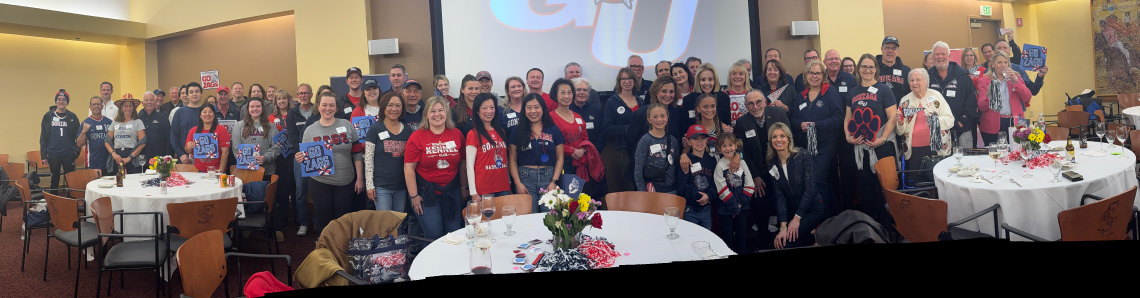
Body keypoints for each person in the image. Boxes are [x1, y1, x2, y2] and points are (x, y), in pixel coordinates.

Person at [296, 91, 364, 235]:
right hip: (320, 182)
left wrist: (359, 179)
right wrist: (301, 157)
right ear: (318, 107)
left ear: (336, 108)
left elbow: (357, 154)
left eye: (331, 105)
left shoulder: (347, 125)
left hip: (346, 181)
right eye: (324, 105)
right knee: (323, 219)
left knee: (343, 219)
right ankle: (326, 248)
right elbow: (306, 156)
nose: (328, 108)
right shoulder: (310, 130)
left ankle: (342, 248)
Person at [843, 54, 898, 225]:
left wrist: (882, 138)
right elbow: (847, 118)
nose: (868, 70)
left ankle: (891, 224)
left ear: (876, 69)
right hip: (861, 149)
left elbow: (892, 118)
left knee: (885, 188)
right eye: (864, 67)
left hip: (882, 146)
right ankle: (872, 225)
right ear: (859, 69)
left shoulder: (884, 90)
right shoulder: (853, 92)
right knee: (866, 189)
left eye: (871, 67)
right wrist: (848, 137)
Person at [404, 96, 465, 240]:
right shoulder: (417, 137)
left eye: (441, 110)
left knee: (454, 234)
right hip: (425, 194)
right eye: (432, 111)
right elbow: (408, 168)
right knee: (434, 235)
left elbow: (463, 163)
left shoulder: (457, 134)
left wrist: (464, 188)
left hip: (452, 192)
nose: (437, 114)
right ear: (426, 115)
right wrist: (414, 196)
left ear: (447, 113)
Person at [790, 60, 844, 217]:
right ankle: (826, 216)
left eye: (818, 73)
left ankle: (822, 220)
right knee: (813, 182)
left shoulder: (830, 92)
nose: (814, 76)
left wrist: (816, 125)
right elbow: (793, 119)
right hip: (805, 146)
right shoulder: (801, 95)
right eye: (811, 73)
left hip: (826, 145)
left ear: (823, 75)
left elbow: (838, 118)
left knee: (818, 180)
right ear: (806, 75)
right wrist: (801, 125)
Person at [735, 89, 791, 226]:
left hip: (780, 166)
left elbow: (789, 140)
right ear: (746, 106)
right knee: (759, 201)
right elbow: (745, 153)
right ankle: (763, 237)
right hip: (759, 171)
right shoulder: (742, 122)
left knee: (784, 200)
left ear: (765, 102)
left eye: (758, 102)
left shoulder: (779, 114)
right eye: (751, 104)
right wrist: (755, 176)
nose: (755, 107)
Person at [767, 122, 824, 249]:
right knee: (778, 241)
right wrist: (783, 226)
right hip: (792, 212)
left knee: (787, 243)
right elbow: (779, 197)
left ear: (788, 139)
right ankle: (811, 236)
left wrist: (797, 219)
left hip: (812, 209)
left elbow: (810, 189)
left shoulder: (803, 156)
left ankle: (815, 234)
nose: (778, 140)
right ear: (770, 141)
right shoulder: (771, 164)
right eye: (774, 137)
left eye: (782, 136)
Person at [896, 68, 955, 183]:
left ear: (926, 81)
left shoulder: (936, 95)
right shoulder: (905, 101)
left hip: (936, 148)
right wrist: (900, 122)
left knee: (938, 182)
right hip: (914, 150)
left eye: (918, 79)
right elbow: (900, 132)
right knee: (919, 182)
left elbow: (950, 120)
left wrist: (934, 121)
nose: (914, 83)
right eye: (912, 80)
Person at [510, 94, 564, 212]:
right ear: (524, 110)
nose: (533, 111)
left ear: (543, 109)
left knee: (550, 218)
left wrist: (554, 181)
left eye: (536, 107)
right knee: (528, 219)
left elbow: (560, 158)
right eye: (529, 107)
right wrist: (518, 183)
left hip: (548, 178)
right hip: (525, 179)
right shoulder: (517, 130)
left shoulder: (553, 129)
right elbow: (512, 159)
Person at [927, 41, 980, 149]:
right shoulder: (927, 76)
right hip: (937, 130)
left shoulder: (962, 75)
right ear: (932, 56)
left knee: (964, 162)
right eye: (937, 54)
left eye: (943, 54)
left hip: (961, 129)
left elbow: (971, 102)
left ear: (949, 56)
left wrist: (960, 122)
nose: (940, 57)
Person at [366, 91, 412, 213]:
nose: (394, 109)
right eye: (390, 105)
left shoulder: (408, 131)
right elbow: (368, 158)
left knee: (399, 223)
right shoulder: (375, 129)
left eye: (398, 105)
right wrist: (369, 185)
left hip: (402, 186)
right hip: (381, 186)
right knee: (385, 223)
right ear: (384, 106)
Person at [976, 51, 1033, 146]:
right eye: (999, 62)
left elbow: (1027, 97)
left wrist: (1016, 82)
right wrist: (988, 94)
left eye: (1005, 62)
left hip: (1014, 122)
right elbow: (982, 107)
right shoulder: (984, 80)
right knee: (994, 155)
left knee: (1016, 153)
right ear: (993, 64)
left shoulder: (1016, 77)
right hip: (992, 125)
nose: (1003, 65)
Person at [286, 83, 320, 236]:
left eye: (306, 93)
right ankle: (303, 223)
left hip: (318, 156)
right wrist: (301, 154)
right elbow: (292, 136)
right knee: (300, 191)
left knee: (318, 191)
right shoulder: (292, 114)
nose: (303, 96)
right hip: (300, 157)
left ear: (311, 95)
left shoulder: (317, 110)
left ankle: (319, 222)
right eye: (300, 93)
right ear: (297, 96)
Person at [466, 93, 512, 202]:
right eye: (484, 108)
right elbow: (469, 165)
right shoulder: (473, 134)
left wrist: (509, 183)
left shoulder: (501, 132)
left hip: (503, 187)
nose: (489, 111)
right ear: (477, 111)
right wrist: (473, 193)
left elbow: (506, 159)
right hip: (484, 190)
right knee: (488, 219)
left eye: (492, 107)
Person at [712, 133, 754, 253]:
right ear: (719, 149)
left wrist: (739, 204)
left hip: (742, 208)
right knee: (727, 237)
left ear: (736, 146)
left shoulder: (743, 163)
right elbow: (722, 190)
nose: (727, 148)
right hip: (725, 209)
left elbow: (750, 185)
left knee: (741, 237)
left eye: (730, 145)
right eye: (724, 146)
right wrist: (734, 207)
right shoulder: (719, 166)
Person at [603, 68, 643, 192]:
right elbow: (608, 127)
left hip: (642, 146)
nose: (627, 81)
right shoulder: (612, 102)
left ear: (634, 81)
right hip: (623, 148)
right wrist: (629, 129)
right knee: (628, 181)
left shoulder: (640, 100)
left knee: (641, 179)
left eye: (629, 78)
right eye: (623, 79)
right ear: (619, 82)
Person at [627, 76, 684, 161]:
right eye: (664, 91)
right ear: (656, 91)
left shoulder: (678, 112)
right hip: (645, 165)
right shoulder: (642, 113)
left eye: (671, 91)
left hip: (670, 165)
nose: (668, 95)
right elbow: (631, 142)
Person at [633, 103, 680, 194]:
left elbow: (676, 164)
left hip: (671, 189)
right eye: (655, 116)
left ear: (667, 117)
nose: (659, 120)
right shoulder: (645, 141)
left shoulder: (673, 140)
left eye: (662, 116)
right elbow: (638, 170)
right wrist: (642, 192)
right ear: (649, 120)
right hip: (652, 189)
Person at [268, 89, 296, 239]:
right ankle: (284, 218)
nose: (282, 101)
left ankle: (297, 219)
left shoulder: (293, 114)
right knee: (282, 188)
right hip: (279, 157)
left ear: (288, 100)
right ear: (275, 101)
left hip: (294, 154)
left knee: (295, 186)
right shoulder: (271, 117)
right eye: (279, 99)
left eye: (284, 98)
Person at [40, 89, 80, 190]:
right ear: (56, 101)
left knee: (71, 179)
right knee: (54, 179)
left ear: (67, 102)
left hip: (68, 153)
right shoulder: (48, 116)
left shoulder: (72, 117)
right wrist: (43, 155)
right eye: (59, 99)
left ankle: (71, 201)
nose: (61, 101)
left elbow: (78, 136)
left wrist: (76, 151)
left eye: (64, 99)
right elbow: (43, 136)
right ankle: (54, 202)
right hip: (53, 154)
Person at [171, 82, 219, 165]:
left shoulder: (208, 112)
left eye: (197, 91)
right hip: (185, 159)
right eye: (191, 92)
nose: (194, 94)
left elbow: (216, 133)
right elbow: (173, 136)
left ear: (201, 93)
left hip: (206, 159)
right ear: (187, 94)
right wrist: (181, 154)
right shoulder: (179, 113)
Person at [231, 98, 281, 176]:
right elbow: (236, 147)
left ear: (262, 108)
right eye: (252, 106)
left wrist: (265, 157)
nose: (255, 109)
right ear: (248, 109)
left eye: (258, 106)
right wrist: (247, 162)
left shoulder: (270, 126)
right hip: (245, 171)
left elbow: (278, 145)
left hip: (266, 171)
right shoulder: (239, 126)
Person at [679, 125, 715, 230]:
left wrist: (708, 196)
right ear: (689, 142)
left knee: (706, 239)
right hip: (689, 209)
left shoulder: (712, 160)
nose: (699, 142)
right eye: (695, 138)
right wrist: (699, 197)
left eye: (702, 138)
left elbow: (715, 184)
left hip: (707, 208)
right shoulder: (685, 161)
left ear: (707, 140)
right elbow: (682, 186)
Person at [682, 63, 732, 133]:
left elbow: (727, 123)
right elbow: (684, 127)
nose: (707, 83)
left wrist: (728, 129)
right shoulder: (688, 100)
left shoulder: (724, 97)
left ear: (715, 80)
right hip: (696, 140)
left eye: (710, 79)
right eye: (703, 80)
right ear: (698, 81)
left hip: (720, 140)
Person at [183, 104, 231, 173]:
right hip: (197, 170)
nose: (207, 114)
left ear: (214, 115)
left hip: (216, 170)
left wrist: (220, 171)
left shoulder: (221, 129)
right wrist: (189, 147)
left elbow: (225, 152)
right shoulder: (193, 130)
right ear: (200, 115)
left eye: (210, 112)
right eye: (204, 112)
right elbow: (187, 151)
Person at [106, 95, 147, 174]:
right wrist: (113, 154)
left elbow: (143, 143)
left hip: (132, 156)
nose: (128, 109)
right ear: (121, 108)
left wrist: (129, 158)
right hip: (117, 157)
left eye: (130, 106)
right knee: (117, 182)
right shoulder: (114, 123)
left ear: (133, 108)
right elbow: (106, 141)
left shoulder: (138, 122)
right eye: (125, 106)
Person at [78, 96, 113, 174]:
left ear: (102, 106)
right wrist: (83, 132)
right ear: (90, 107)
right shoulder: (85, 123)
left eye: (98, 104)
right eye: (93, 104)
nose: (96, 106)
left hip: (109, 163)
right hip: (92, 163)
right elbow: (79, 144)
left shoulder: (109, 122)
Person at [570, 78, 605, 154]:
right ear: (573, 92)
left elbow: (602, 135)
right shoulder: (567, 110)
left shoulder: (596, 111)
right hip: (572, 155)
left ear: (589, 93)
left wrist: (593, 151)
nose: (582, 92)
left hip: (593, 155)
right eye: (578, 90)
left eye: (585, 90)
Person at [877, 36, 912, 103]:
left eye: (893, 48)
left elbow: (911, 93)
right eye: (887, 47)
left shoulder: (906, 71)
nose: (890, 51)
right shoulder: (873, 69)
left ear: (897, 51)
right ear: (881, 49)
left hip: (900, 111)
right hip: (877, 112)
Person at [139, 91, 173, 160]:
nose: (149, 102)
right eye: (146, 100)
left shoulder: (163, 117)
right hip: (141, 159)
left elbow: (168, 139)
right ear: (142, 103)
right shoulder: (138, 117)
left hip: (159, 160)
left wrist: (167, 158)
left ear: (155, 102)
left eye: (151, 100)